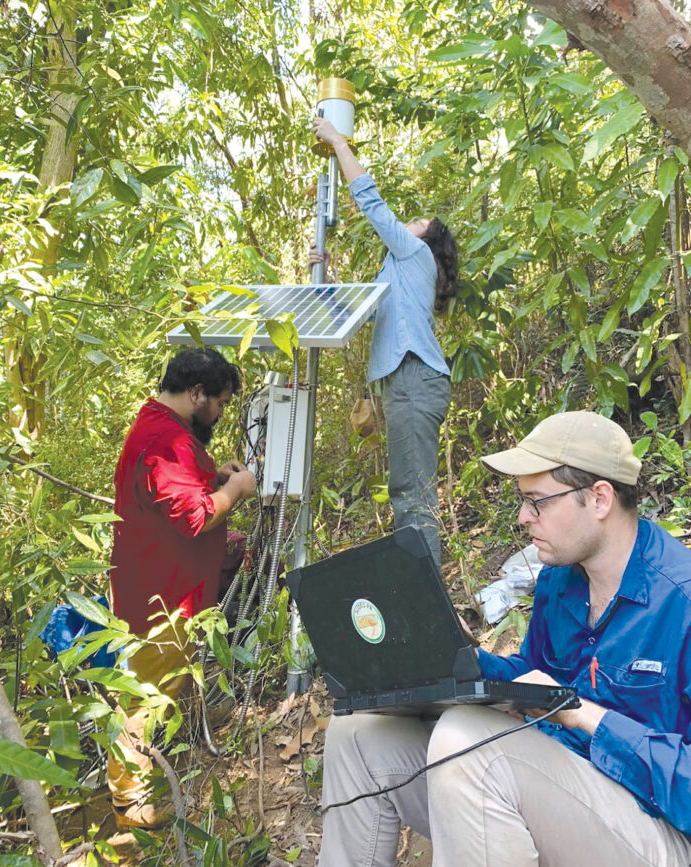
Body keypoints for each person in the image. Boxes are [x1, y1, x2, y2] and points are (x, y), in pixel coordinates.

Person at [318, 411, 691, 866]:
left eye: (537, 502)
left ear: (598, 499)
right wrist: (452, 655)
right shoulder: (560, 581)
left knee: (466, 739)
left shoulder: (681, 600)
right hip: (562, 789)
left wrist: (588, 718)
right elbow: (539, 676)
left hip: (658, 834)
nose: (522, 517)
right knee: (357, 734)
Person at [108, 347, 256, 829]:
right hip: (159, 599)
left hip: (167, 590)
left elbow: (173, 493)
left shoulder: (160, 427)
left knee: (162, 686)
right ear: (196, 394)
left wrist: (212, 477)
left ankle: (188, 740)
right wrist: (233, 492)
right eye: (218, 403)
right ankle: (131, 811)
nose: (219, 412)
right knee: (142, 701)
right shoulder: (162, 440)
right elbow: (194, 516)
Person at [310, 117, 458, 570]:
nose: (407, 223)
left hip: (415, 379)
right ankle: (421, 591)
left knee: (412, 492)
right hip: (406, 382)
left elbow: (372, 204)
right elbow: (360, 316)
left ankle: (426, 602)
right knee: (407, 490)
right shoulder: (397, 274)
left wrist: (338, 142)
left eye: (416, 222)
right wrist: (328, 275)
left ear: (427, 242)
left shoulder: (415, 255)